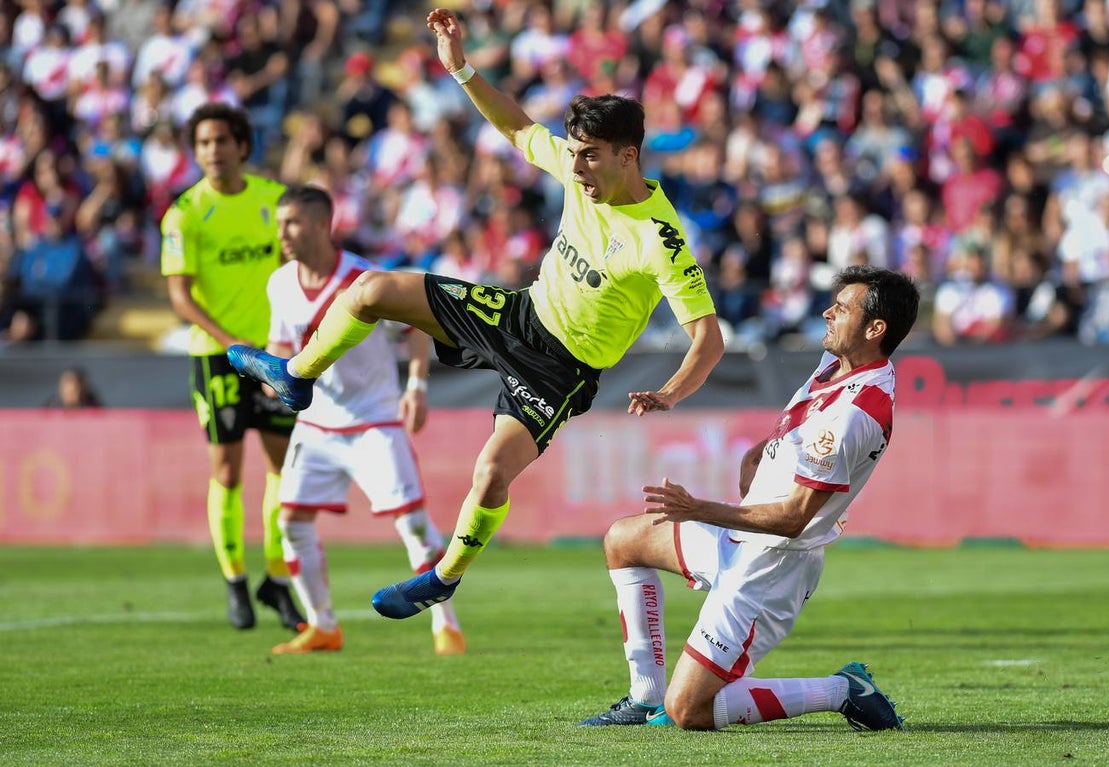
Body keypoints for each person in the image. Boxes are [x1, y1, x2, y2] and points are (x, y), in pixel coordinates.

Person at [227, 7, 724, 623]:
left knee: (490, 474)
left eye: (590, 157)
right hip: (520, 315)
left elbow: (707, 338)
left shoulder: (660, 237)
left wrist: (670, 393)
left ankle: (441, 579)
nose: (575, 169)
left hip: (558, 371)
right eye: (572, 154)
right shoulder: (577, 175)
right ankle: (297, 375)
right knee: (370, 290)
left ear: (629, 155)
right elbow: (518, 129)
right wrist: (460, 67)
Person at [579, 265, 918, 732]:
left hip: (770, 569)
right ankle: (643, 698)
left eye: (841, 309)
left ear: (875, 328)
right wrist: (758, 455)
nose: (827, 312)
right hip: (739, 536)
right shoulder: (837, 366)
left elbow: (793, 518)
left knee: (690, 712)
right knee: (624, 540)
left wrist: (697, 509)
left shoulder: (857, 413)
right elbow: (796, 426)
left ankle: (843, 690)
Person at [266, 186, 466, 657]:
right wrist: (271, 379)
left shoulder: (362, 277)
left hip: (375, 421)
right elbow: (278, 346)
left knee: (414, 525)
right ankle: (323, 626)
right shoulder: (279, 283)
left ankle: (446, 624)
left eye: (292, 222)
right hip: (315, 426)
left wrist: (416, 385)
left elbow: (416, 326)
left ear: (321, 224)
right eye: (279, 224)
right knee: (291, 521)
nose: (283, 234)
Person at [160, 102, 304, 632]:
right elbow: (180, 296)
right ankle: (235, 582)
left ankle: (276, 581)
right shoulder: (185, 213)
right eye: (203, 143)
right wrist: (231, 342)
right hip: (215, 357)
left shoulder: (273, 201)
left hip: (274, 356)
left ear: (242, 146)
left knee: (281, 468)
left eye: (221, 140)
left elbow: (298, 262)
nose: (213, 151)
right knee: (226, 471)